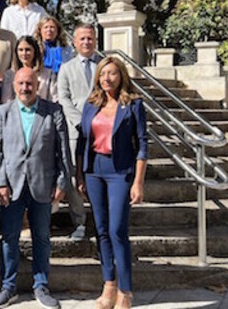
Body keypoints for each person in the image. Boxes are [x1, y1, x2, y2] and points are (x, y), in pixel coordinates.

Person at [0, 67, 71, 309]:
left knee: (42, 237)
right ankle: (8, 286)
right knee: (10, 237)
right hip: (12, 185)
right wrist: (1, 182)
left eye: (30, 84)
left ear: (37, 85)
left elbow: (63, 151)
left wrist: (62, 182)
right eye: (21, 84)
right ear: (13, 86)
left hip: (42, 184)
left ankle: (41, 285)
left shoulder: (53, 111)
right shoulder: (3, 111)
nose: (25, 88)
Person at [76, 56, 147, 309]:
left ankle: (125, 291)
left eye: (112, 73)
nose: (107, 78)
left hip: (120, 172)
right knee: (101, 230)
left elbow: (141, 145)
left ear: (121, 76)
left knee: (117, 230)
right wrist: (80, 175)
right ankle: (109, 284)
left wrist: (138, 182)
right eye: (103, 73)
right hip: (94, 170)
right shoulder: (91, 104)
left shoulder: (134, 104)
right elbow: (83, 141)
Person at [57, 23, 102, 242]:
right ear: (74, 42)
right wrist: (79, 121)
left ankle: (101, 222)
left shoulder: (103, 66)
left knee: (99, 175)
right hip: (76, 131)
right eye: (82, 39)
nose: (86, 42)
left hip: (102, 131)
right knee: (75, 178)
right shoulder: (66, 68)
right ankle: (80, 222)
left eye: (90, 39)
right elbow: (63, 98)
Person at [1, 35, 56, 103]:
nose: (24, 53)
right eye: (21, 50)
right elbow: (6, 100)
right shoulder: (9, 75)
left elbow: (54, 99)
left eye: (28, 50)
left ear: (35, 51)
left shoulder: (48, 74)